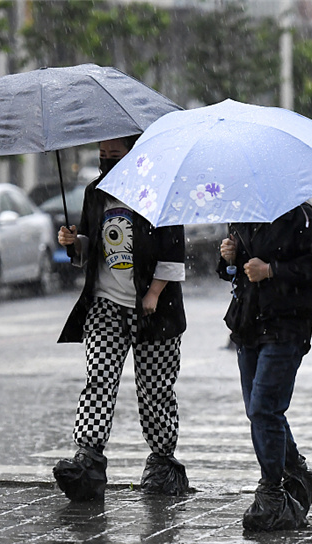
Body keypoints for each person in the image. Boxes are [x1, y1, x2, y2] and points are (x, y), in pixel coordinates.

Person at [53, 135, 190, 501]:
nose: (107, 162)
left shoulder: (158, 192)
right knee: (99, 379)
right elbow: (90, 245)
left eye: (115, 155)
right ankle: (88, 457)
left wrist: (153, 293)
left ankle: (162, 461)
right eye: (102, 155)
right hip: (105, 304)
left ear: (134, 155)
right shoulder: (96, 192)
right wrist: (74, 242)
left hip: (154, 310)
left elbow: (173, 252)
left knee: (156, 389)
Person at [217, 202, 312, 531]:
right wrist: (228, 258)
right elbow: (234, 272)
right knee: (258, 410)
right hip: (248, 323)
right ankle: (295, 471)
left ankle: (272, 490)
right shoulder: (242, 214)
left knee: (265, 408)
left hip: (286, 326)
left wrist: (272, 270)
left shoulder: (302, 218)